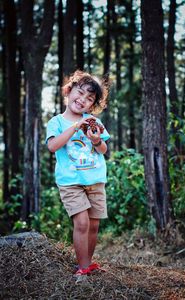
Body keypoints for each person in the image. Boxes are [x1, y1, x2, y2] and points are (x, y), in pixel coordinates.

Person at [46, 70, 110, 277]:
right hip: (71, 181)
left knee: (93, 225)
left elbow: (103, 149)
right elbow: (53, 146)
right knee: (81, 222)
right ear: (68, 91)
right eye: (79, 93)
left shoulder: (94, 122)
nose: (82, 100)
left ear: (93, 105)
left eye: (89, 98)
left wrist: (95, 140)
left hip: (95, 179)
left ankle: (87, 263)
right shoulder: (56, 122)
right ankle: (82, 269)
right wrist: (75, 127)